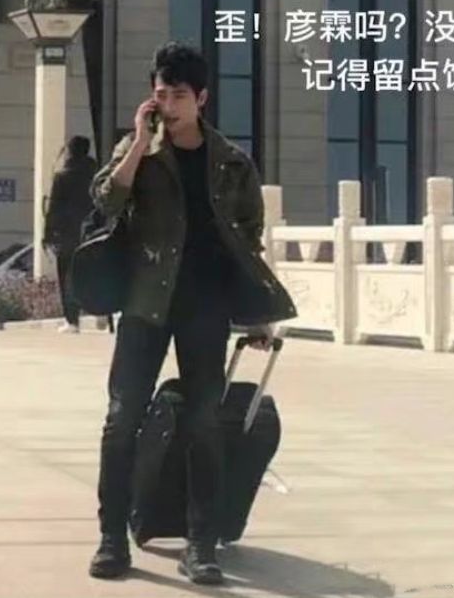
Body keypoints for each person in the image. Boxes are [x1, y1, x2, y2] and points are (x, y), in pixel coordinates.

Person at [88, 42, 296, 584]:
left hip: (205, 308)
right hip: (144, 304)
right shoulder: (140, 150)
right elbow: (106, 201)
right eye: (160, 94)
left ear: (201, 98)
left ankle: (201, 545)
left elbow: (247, 241)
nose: (168, 105)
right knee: (122, 419)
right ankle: (112, 539)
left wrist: (254, 311)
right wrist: (138, 143)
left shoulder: (231, 162)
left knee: (205, 423)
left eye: (179, 95)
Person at [43, 135, 108, 333]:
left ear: (70, 151)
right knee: (94, 273)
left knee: (67, 277)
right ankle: (101, 312)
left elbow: (54, 208)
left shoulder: (62, 176)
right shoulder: (97, 174)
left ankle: (72, 321)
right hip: (93, 232)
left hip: (68, 235)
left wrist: (48, 234)